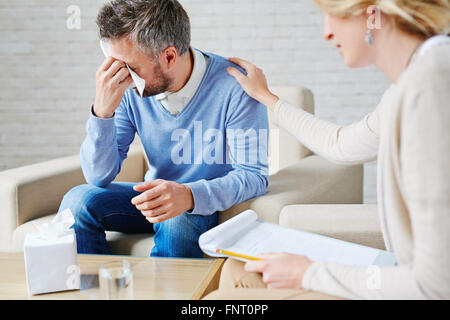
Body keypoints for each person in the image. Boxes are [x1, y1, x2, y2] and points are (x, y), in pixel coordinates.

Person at [205, 0, 450, 299]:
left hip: (419, 288)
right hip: (403, 269)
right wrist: (268, 99)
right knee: (237, 270)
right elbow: (341, 145)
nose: (326, 33)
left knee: (219, 300)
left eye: (331, 17)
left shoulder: (430, 87)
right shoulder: (408, 85)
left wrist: (308, 272)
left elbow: (435, 284)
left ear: (372, 16)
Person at [57, 0, 269, 258]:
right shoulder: (127, 90)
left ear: (169, 56)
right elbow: (98, 177)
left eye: (130, 68)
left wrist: (189, 195)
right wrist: (102, 113)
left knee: (176, 218)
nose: (119, 76)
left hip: (203, 202)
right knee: (76, 202)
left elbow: (253, 176)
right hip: (153, 198)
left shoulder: (236, 86)